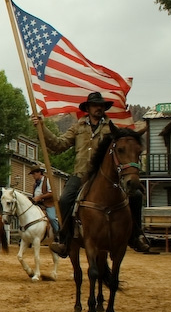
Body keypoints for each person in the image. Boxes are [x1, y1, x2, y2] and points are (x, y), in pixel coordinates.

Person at [32, 91, 151, 257]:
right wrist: (42, 127)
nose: (98, 108)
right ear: (87, 108)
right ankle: (64, 240)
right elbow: (59, 145)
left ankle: (136, 235)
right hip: (80, 174)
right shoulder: (78, 128)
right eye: (95, 105)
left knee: (136, 196)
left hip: (106, 176)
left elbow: (124, 147)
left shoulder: (111, 129)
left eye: (101, 105)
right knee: (65, 200)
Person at [29, 164, 59, 233]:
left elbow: (52, 193)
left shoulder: (47, 180)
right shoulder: (35, 184)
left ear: (39, 172)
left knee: (52, 218)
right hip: (38, 204)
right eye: (32, 174)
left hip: (48, 204)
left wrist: (40, 197)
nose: (33, 176)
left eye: (34, 173)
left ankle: (59, 233)